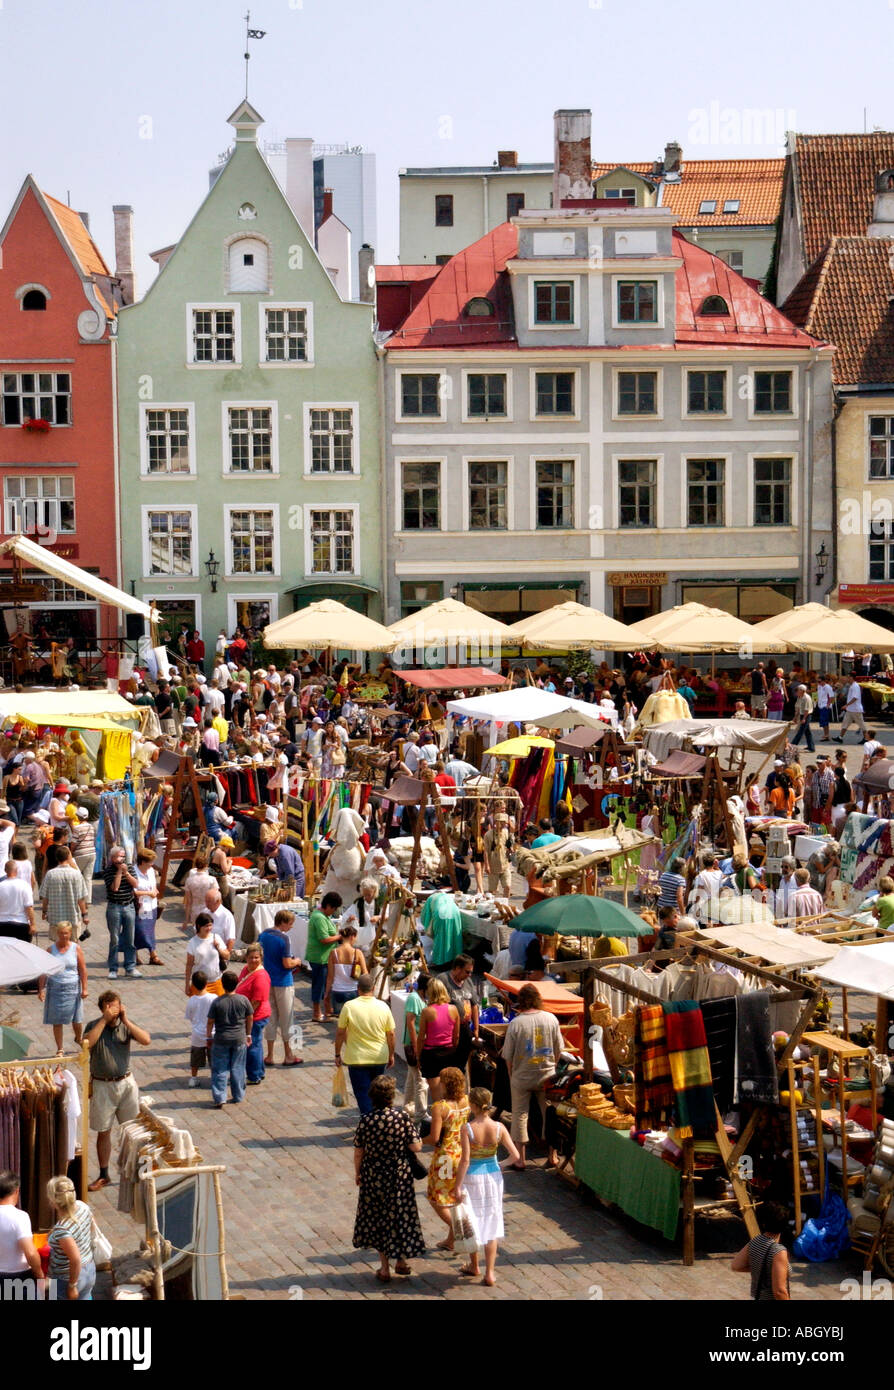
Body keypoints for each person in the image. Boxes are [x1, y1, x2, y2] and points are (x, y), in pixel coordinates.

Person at [352, 1073, 425, 1283]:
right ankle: (401, 1261)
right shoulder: (401, 1117)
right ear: (391, 1096)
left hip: (373, 1175)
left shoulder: (366, 1120)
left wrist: (358, 1173)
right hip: (399, 1174)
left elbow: (359, 1151)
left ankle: (384, 1268)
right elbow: (416, 1146)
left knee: (379, 1219)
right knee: (399, 1215)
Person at [454, 1086, 520, 1287]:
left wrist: (457, 1186)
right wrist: (498, 1165)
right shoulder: (499, 1127)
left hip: (472, 1177)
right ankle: (490, 1273)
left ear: (472, 1105)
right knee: (492, 1220)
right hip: (493, 1177)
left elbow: (465, 1161)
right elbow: (515, 1156)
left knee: (472, 1221)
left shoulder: (468, 1128)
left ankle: (474, 1266)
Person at [84, 991, 151, 1191]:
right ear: (103, 1008)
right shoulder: (94, 1026)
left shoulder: (125, 1026)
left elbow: (146, 1039)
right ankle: (104, 1174)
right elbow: (87, 1043)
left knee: (133, 1130)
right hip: (102, 1085)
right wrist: (104, 1021)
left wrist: (126, 1020)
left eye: (116, 1005)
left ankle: (137, 1170)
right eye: (110, 1006)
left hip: (126, 1084)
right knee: (103, 1131)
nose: (114, 1009)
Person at [501, 983, 563, 1171]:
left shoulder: (516, 1023)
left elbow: (508, 1056)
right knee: (550, 1113)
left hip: (522, 1075)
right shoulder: (551, 1019)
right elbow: (559, 1049)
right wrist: (552, 1065)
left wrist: (512, 1074)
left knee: (520, 1114)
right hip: (546, 1073)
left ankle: (520, 1159)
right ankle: (552, 1155)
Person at [334, 972, 395, 1116]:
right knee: (378, 1093)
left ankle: (368, 1121)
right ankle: (379, 1121)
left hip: (357, 1059)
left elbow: (340, 1032)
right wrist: (391, 1054)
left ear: (358, 989)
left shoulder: (349, 1006)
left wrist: (337, 1053)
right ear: (373, 988)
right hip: (378, 1057)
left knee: (362, 1094)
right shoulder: (383, 1006)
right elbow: (391, 1033)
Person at [425, 1066, 470, 1252]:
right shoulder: (466, 1101)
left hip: (445, 1157)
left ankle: (461, 1229)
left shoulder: (440, 1107)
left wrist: (418, 1140)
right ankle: (450, 1241)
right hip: (462, 1153)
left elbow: (434, 1138)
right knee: (454, 1198)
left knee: (436, 1198)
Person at [258, 908, 303, 1068]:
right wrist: (296, 961)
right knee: (286, 1018)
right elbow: (286, 963)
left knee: (271, 1018)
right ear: (283, 922)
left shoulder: (263, 935)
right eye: (290, 924)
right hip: (283, 982)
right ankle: (288, 1054)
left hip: (267, 980)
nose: (291, 927)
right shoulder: (284, 939)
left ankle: (269, 1055)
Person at [38, 920, 87, 1054]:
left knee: (77, 1020)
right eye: (61, 933)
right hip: (55, 989)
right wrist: (41, 989)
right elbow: (44, 971)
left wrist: (85, 988)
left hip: (73, 988)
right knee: (57, 1021)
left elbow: (82, 969)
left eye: (66, 933)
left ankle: (78, 1038)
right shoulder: (51, 950)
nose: (63, 936)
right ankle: (60, 1048)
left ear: (70, 933)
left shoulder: (76, 948)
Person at [206, 970, 253, 1109]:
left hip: (221, 1039)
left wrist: (208, 1036)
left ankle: (220, 1097)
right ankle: (238, 1095)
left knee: (220, 1069)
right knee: (238, 1067)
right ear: (237, 983)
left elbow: (210, 1021)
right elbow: (250, 1016)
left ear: (222, 984)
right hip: (239, 1039)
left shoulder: (217, 1002)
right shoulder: (243, 1000)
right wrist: (248, 1034)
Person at [46, 1175, 96, 1301]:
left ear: (52, 1201)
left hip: (68, 1277)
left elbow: (75, 1259)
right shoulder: (83, 1206)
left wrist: (72, 1286)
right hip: (89, 1268)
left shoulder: (62, 1230)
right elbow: (91, 1228)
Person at [731, 1201, 791, 1300]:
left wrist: (760, 1268)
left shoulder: (756, 1241)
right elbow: (779, 1292)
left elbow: (736, 1265)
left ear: (762, 1223)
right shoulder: (779, 1252)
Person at [417, 977, 461, 1105]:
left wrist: (418, 1056)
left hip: (431, 1053)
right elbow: (456, 1036)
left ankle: (440, 1116)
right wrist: (453, 1049)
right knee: (449, 1088)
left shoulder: (427, 1011)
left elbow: (421, 1037)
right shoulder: (453, 1009)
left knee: (436, 1090)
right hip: (449, 1051)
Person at [0, 1170, 42, 1300]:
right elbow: (30, 1252)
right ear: (16, 1191)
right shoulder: (20, 1217)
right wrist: (40, 1274)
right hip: (20, 1278)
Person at [436, 953, 481, 1065]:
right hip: (449, 1030)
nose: (470, 975)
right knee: (449, 1061)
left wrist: (476, 1028)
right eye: (467, 972)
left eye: (471, 972)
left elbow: (474, 1005)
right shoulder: (442, 980)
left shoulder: (468, 982)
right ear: (457, 968)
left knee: (462, 1061)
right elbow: (437, 1006)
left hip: (465, 1029)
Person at [236, 945, 272, 1085]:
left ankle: (254, 1075)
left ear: (261, 958)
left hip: (255, 1016)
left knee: (252, 1046)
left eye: (256, 957)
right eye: (251, 957)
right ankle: (259, 1071)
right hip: (248, 1014)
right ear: (246, 958)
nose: (253, 960)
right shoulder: (246, 969)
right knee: (256, 1044)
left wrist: (245, 1017)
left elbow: (256, 1001)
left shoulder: (261, 976)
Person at [103, 845, 140, 979]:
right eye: (119, 856)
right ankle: (113, 968)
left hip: (129, 906)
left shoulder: (129, 867)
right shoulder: (108, 871)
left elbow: (136, 884)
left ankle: (130, 967)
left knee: (130, 939)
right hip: (114, 907)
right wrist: (119, 872)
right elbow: (115, 888)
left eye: (123, 856)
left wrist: (126, 873)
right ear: (113, 858)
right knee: (115, 939)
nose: (122, 859)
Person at [41, 847, 90, 945]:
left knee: (57, 946)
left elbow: (45, 897)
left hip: (56, 918)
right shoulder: (76, 874)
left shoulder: (50, 874)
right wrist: (85, 915)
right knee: (74, 946)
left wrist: (44, 911)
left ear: (56, 858)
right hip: (73, 917)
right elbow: (81, 898)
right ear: (68, 857)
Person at [306, 891, 342, 1023]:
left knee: (324, 985)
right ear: (328, 906)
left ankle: (326, 1010)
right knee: (319, 985)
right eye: (333, 908)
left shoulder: (322, 915)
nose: (334, 911)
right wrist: (339, 937)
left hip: (324, 957)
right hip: (319, 957)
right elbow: (324, 939)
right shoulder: (319, 918)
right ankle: (316, 1012)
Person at [325, 924, 366, 1015]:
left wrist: (326, 994)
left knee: (341, 1021)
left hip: (337, 990)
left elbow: (330, 977)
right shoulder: (358, 953)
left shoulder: (333, 953)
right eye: (356, 938)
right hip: (353, 990)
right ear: (352, 937)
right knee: (354, 1020)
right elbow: (365, 974)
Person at [185, 969, 215, 1089]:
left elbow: (190, 1016)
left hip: (197, 1034)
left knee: (195, 1058)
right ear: (207, 983)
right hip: (212, 1033)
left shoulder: (192, 1000)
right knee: (214, 1057)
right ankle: (214, 1077)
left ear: (193, 985)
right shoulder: (213, 998)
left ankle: (193, 1078)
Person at [132, 848, 162, 967]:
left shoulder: (150, 872)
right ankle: (135, 954)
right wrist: (149, 894)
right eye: (150, 862)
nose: (152, 864)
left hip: (151, 906)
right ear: (143, 862)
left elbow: (153, 886)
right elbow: (134, 892)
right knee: (139, 931)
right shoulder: (134, 872)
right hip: (139, 907)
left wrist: (154, 891)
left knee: (150, 930)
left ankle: (153, 954)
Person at [0, 858, 35, 942]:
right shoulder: (24, 885)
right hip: (21, 923)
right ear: (17, 870)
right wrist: (33, 924)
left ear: (5, 870)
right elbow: (29, 907)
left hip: (2, 923)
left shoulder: (1, 886)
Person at [183, 854, 215, 929]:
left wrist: (186, 920)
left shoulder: (189, 881)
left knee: (197, 933)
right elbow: (216, 899)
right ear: (206, 865)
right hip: (208, 911)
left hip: (195, 911)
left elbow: (188, 902)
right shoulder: (212, 880)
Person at [834, 678, 868, 743]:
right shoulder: (851, 686)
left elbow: (855, 697)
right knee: (845, 723)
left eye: (848, 678)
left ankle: (866, 738)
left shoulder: (855, 686)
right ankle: (840, 737)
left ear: (851, 678)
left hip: (855, 709)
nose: (847, 679)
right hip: (850, 709)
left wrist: (847, 705)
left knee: (861, 724)